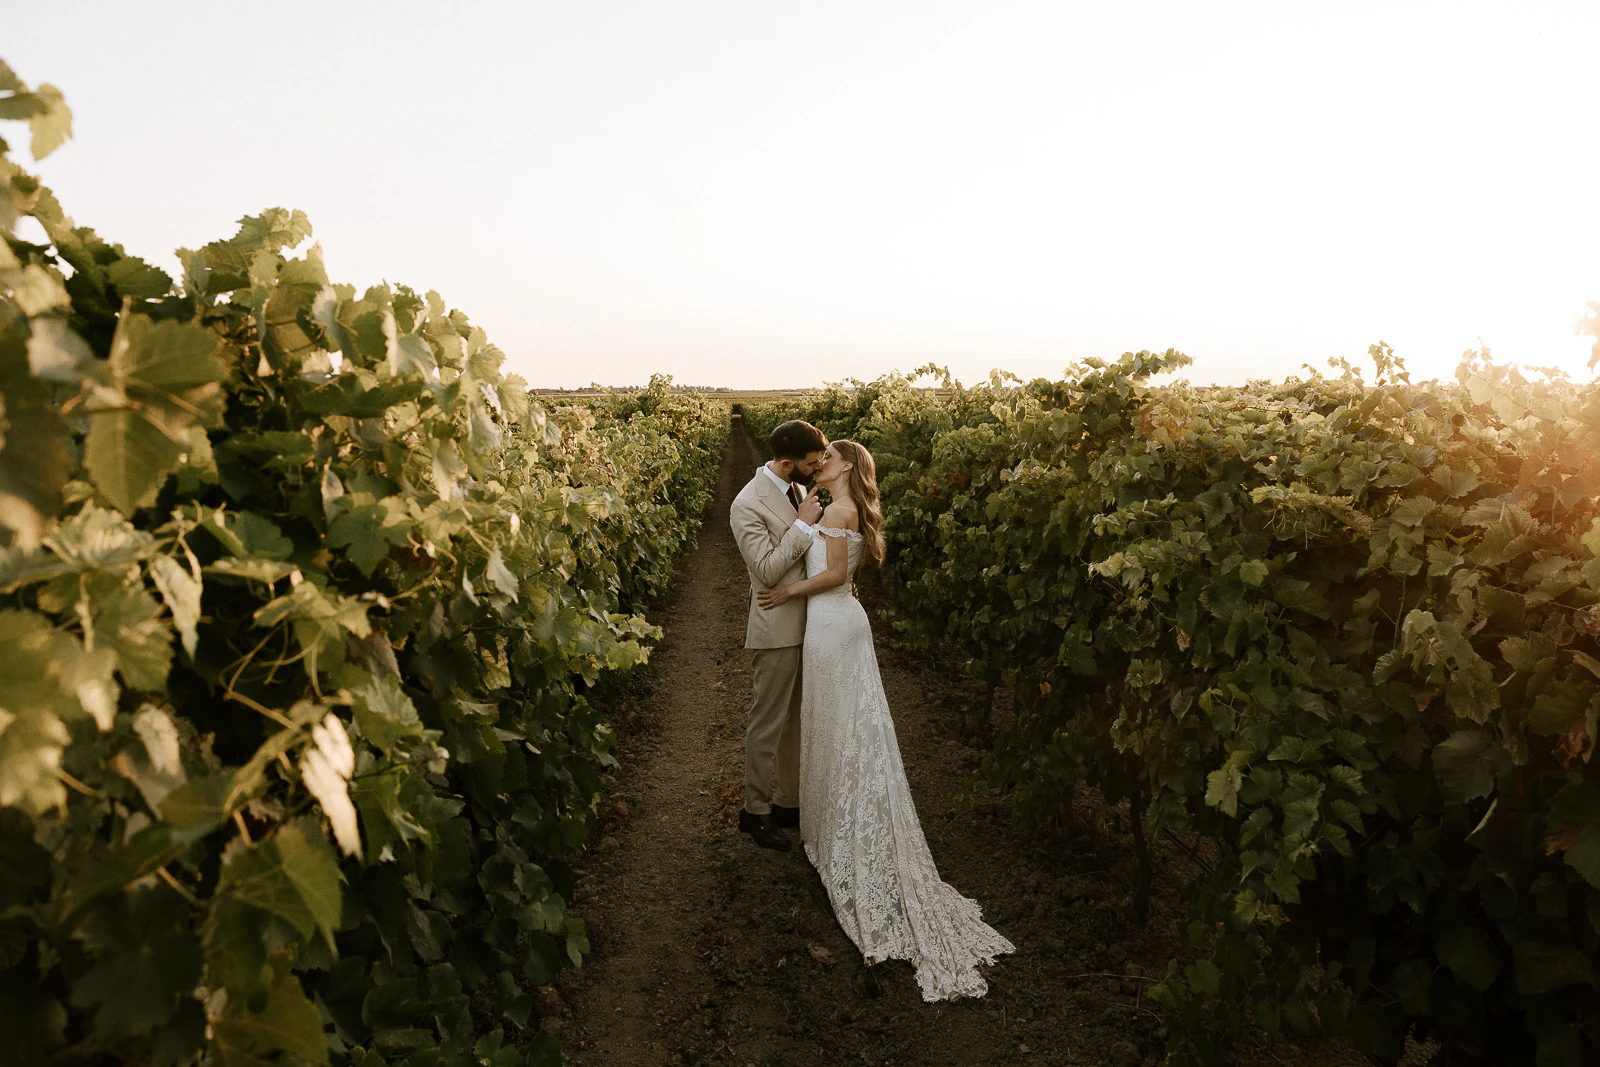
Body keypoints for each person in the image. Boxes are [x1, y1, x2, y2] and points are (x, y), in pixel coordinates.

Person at [757, 439, 1014, 1001]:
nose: (817, 462)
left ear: (846, 465)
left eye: (827, 457)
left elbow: (832, 576)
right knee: (842, 727)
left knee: (843, 729)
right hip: (835, 623)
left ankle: (844, 831)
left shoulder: (840, 511)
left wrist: (786, 590)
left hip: (832, 621)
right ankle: (831, 825)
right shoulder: (834, 508)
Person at [729, 419, 826, 850]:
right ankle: (754, 811)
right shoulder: (746, 504)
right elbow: (767, 571)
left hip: (813, 620)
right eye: (811, 462)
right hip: (777, 626)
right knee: (767, 721)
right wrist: (803, 526)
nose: (819, 467)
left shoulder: (799, 489)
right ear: (787, 465)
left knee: (797, 720)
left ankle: (787, 801)